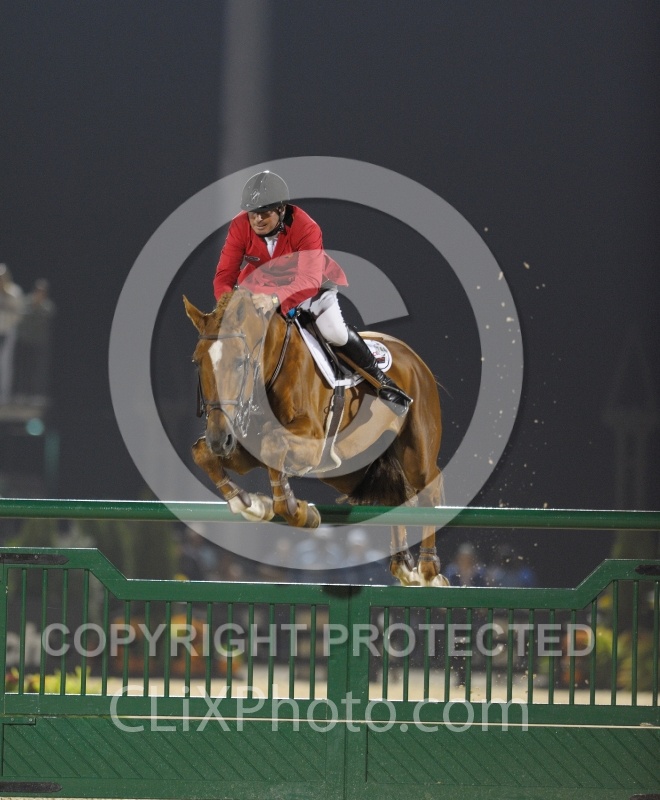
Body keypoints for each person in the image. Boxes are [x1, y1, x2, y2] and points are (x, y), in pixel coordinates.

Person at [213, 170, 412, 414]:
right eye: (253, 213)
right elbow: (225, 275)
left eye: (265, 213)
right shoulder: (239, 225)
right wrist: (228, 305)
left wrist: (275, 299)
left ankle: (382, 382)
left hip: (311, 287)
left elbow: (308, 279)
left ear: (281, 210)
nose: (257, 220)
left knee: (333, 331)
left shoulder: (306, 227)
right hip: (262, 288)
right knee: (236, 337)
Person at [0, 264, 23, 404]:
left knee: (5, 364)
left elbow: (18, 314)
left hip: (8, 332)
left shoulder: (14, 292)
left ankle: (4, 396)